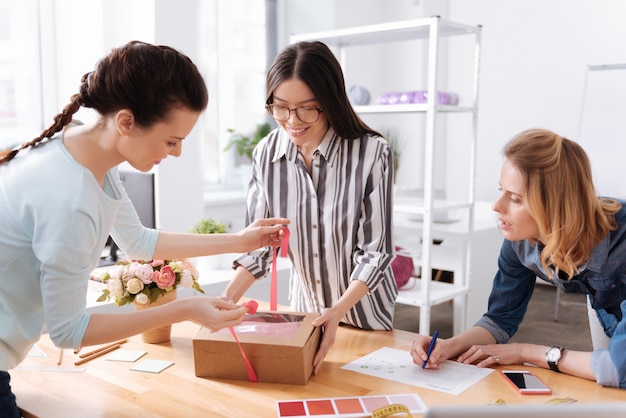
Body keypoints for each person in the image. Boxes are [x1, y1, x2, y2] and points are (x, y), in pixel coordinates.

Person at [0, 40, 289, 416]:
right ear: (126, 122)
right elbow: (68, 332)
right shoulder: (71, 201)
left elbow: (138, 242)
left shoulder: (82, 151)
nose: (177, 153)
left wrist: (239, 241)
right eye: (171, 141)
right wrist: (182, 309)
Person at [221, 40, 398, 375]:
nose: (292, 120)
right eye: (281, 107)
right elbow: (259, 245)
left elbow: (376, 252)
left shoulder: (372, 153)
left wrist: (338, 310)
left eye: (307, 108)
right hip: (304, 317)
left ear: (330, 102)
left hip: (363, 315)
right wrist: (224, 302)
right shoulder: (266, 154)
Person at [411, 128, 626, 389]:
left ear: (554, 205)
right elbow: (499, 320)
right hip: (607, 304)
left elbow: (616, 368)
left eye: (514, 198)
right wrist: (448, 345)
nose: (496, 206)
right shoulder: (519, 241)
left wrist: (525, 352)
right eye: (501, 190)